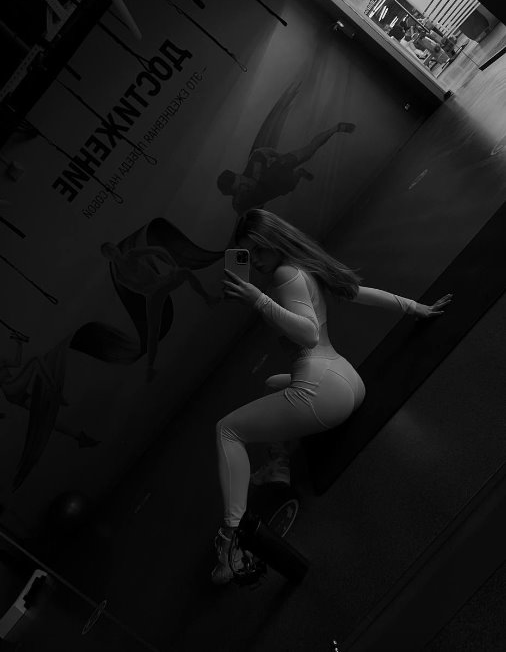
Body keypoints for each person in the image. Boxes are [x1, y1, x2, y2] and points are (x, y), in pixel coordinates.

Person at [212, 209, 453, 585]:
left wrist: (257, 300)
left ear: (275, 243)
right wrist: (414, 307)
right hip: (347, 382)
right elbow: (355, 291)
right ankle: (277, 464)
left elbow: (308, 335)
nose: (254, 261)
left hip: (322, 393)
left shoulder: (284, 275)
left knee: (227, 430)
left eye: (258, 251)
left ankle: (230, 544)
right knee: (273, 384)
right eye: (248, 253)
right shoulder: (304, 266)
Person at [100, 242, 219, 382]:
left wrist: (173, 266)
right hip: (153, 294)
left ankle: (208, 298)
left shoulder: (132, 254)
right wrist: (159, 284)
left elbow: (159, 249)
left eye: (112, 248)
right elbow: (141, 290)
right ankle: (150, 367)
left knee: (185, 272)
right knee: (153, 331)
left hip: (163, 282)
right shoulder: (120, 276)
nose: (113, 252)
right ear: (108, 257)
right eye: (108, 252)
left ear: (116, 248)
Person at [217, 122, 356, 216]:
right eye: (238, 190)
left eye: (241, 182)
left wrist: (279, 155)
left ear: (238, 175)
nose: (244, 187)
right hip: (281, 186)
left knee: (309, 150)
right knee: (292, 184)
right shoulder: (239, 203)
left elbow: (260, 152)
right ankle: (300, 173)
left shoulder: (254, 164)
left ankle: (336, 128)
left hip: (279, 167)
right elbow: (247, 215)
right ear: (233, 193)